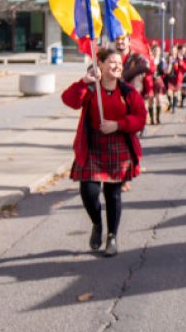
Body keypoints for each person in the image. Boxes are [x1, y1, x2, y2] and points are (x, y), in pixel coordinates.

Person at [61, 46, 146, 257]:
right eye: (112, 62)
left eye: (119, 63)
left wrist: (119, 124)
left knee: (113, 194)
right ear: (100, 64)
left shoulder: (127, 92)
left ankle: (112, 236)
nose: (117, 66)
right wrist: (85, 81)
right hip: (92, 146)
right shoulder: (91, 89)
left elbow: (140, 118)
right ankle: (97, 224)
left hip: (117, 145)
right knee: (88, 192)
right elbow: (69, 100)